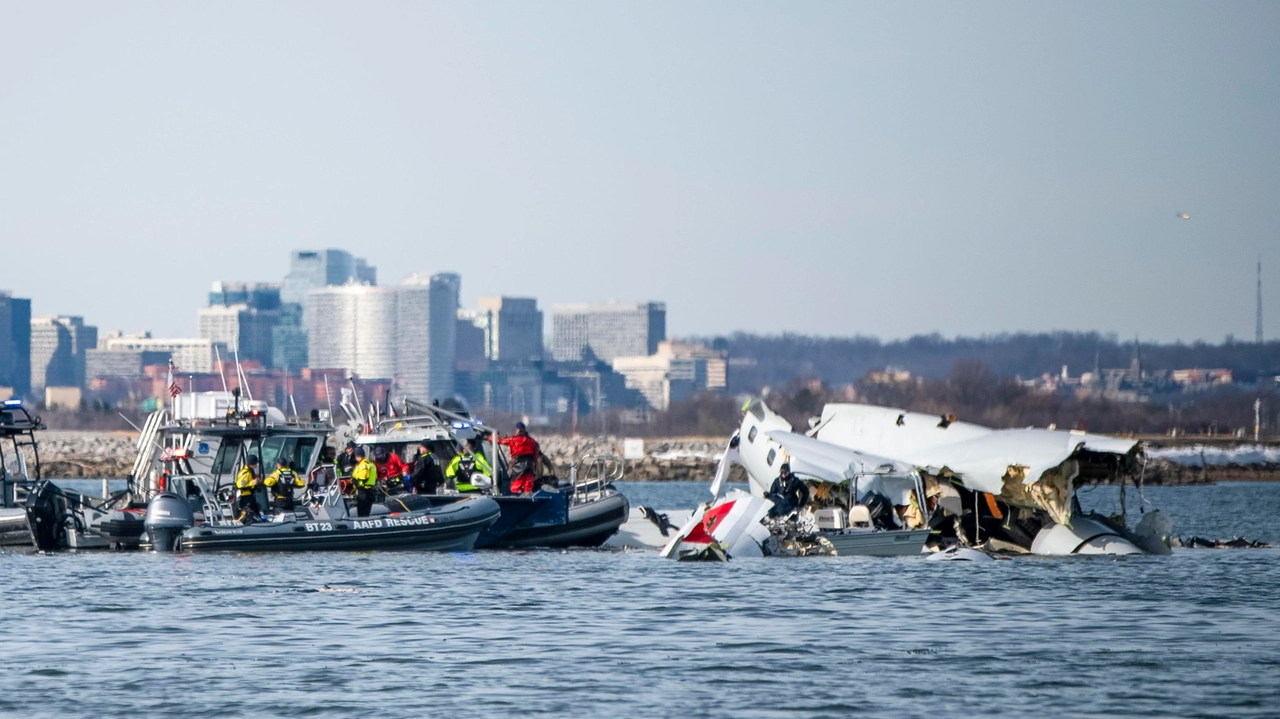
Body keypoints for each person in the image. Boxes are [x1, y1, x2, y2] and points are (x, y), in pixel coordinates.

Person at [498, 421, 542, 495]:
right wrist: (535, 466)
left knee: (516, 486)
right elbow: (536, 456)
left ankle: (515, 501)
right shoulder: (532, 441)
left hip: (518, 466)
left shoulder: (513, 439)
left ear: (517, 430)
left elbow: (500, 440)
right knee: (528, 486)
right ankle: (528, 501)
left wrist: (490, 437)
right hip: (530, 465)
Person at [351, 447, 378, 517]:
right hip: (371, 490)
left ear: (357, 456)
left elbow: (363, 477)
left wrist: (355, 481)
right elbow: (375, 477)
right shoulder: (371, 464)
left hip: (364, 491)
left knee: (362, 510)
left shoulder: (363, 465)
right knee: (368, 509)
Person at [235, 455, 263, 523]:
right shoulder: (246, 473)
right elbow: (240, 485)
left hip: (250, 496)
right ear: (253, 463)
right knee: (249, 513)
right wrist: (253, 483)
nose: (257, 464)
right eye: (256, 463)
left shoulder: (250, 471)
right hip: (245, 497)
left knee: (256, 512)